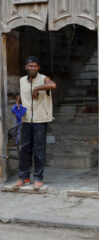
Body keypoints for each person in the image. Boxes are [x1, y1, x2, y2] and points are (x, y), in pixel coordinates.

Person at [13, 56, 57, 190]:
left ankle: (38, 177)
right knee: (25, 148)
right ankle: (23, 177)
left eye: (36, 66)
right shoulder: (22, 80)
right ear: (26, 67)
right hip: (26, 119)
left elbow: (53, 85)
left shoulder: (44, 78)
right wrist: (17, 103)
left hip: (40, 119)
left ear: (39, 67)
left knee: (39, 149)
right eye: (30, 66)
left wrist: (37, 89)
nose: (33, 68)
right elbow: (21, 94)